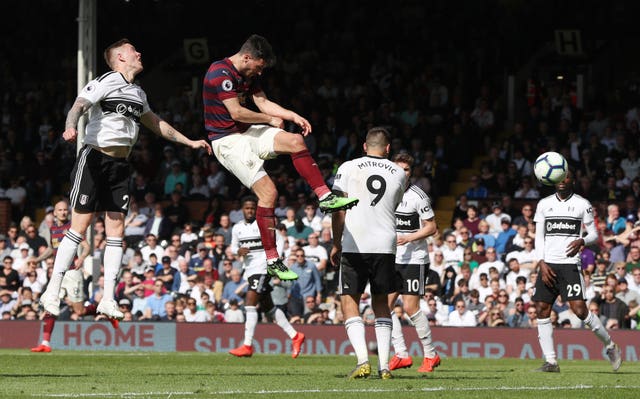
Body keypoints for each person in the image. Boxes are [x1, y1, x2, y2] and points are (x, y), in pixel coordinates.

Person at [38, 39, 212, 322]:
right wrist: (70, 126)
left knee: (116, 230)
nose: (139, 53)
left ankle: (108, 299)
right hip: (95, 159)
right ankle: (53, 290)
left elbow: (156, 124)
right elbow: (79, 105)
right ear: (120, 56)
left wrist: (189, 141)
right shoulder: (106, 81)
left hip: (120, 165)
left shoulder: (138, 93)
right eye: (134, 50)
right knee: (79, 227)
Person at [202, 34, 358, 281]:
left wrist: (293, 116)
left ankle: (325, 197)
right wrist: (269, 120)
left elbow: (262, 102)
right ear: (247, 57)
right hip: (227, 141)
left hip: (246, 132)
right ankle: (273, 259)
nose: (260, 73)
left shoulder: (247, 74)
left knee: (295, 140)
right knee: (269, 193)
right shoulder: (219, 73)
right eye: (259, 67)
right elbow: (237, 112)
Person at [329, 127, 406, 379]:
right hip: (385, 244)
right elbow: (392, 204)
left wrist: (336, 242)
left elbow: (338, 208)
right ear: (387, 148)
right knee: (381, 303)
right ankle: (384, 366)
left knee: (349, 301)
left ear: (364, 146)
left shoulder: (348, 167)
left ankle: (363, 360)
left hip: (355, 242)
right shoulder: (398, 172)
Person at [532, 169, 622, 372]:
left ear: (573, 180)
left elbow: (593, 235)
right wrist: (541, 262)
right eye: (559, 177)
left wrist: (582, 239)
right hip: (548, 264)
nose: (563, 180)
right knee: (541, 309)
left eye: (567, 177)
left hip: (570, 264)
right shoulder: (544, 204)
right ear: (552, 180)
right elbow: (539, 237)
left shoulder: (583, 204)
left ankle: (610, 346)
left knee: (580, 310)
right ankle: (551, 362)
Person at [31, 200, 117, 353]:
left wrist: (82, 258)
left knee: (80, 311)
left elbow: (86, 247)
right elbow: (52, 249)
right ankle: (45, 343)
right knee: (50, 305)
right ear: (55, 213)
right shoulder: (53, 229)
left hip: (72, 273)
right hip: (59, 274)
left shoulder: (73, 228)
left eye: (65, 210)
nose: (63, 212)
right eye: (60, 210)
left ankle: (106, 311)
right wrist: (37, 260)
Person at [227, 196, 305, 358]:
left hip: (263, 268)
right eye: (247, 208)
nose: (249, 211)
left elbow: (280, 240)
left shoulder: (263, 225)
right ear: (242, 209)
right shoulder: (237, 228)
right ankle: (296, 336)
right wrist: (237, 251)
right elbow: (233, 247)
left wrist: (276, 261)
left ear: (257, 209)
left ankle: (247, 345)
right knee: (269, 309)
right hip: (249, 270)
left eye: (252, 208)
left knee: (250, 304)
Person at [386, 153, 440, 374]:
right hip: (392, 258)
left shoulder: (418, 196)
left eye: (406, 170)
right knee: (383, 306)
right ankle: (401, 354)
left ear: (411, 173)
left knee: (410, 307)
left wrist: (409, 237)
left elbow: (432, 227)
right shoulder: (386, 193)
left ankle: (430, 354)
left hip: (414, 259)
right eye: (398, 169)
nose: (402, 173)